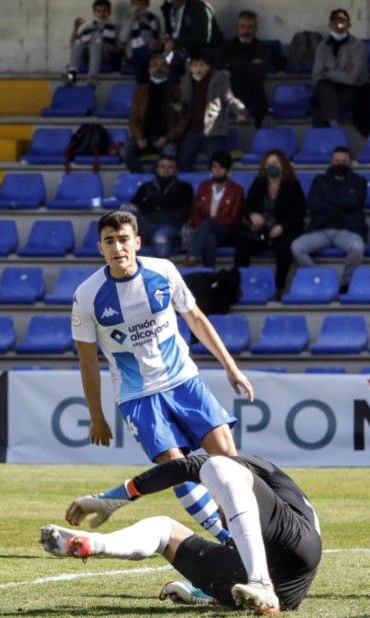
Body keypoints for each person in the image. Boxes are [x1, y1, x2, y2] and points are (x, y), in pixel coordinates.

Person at [71, 210, 255, 543]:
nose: (118, 247)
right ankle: (226, 538)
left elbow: (196, 319)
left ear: (137, 242)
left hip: (185, 381)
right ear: (100, 248)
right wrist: (96, 414)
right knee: (175, 467)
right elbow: (87, 360)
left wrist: (230, 366)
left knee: (229, 460)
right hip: (137, 396)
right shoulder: (87, 295)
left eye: (124, 239)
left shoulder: (164, 272)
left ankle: (244, 531)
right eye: (109, 241)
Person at [40, 452, 322, 614]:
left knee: (219, 466)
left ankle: (260, 583)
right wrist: (200, 592)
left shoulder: (259, 469)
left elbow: (188, 466)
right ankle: (97, 543)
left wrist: (114, 497)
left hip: (297, 545)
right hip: (272, 586)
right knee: (164, 528)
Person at [291, 146, 368, 294]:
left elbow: (355, 202)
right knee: (297, 247)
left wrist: (329, 201)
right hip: (321, 228)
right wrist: (342, 202)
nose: (340, 164)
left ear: (351, 163)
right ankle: (317, 279)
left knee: (357, 247)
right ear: (331, 162)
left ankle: (346, 283)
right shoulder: (319, 180)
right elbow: (314, 204)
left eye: (344, 161)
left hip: (348, 229)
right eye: (337, 160)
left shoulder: (359, 181)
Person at [236, 149, 306, 296]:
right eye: (268, 164)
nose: (271, 167)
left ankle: (279, 288)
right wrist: (252, 215)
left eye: (275, 163)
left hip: (284, 229)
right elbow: (247, 206)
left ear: (283, 166)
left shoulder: (292, 185)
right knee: (242, 244)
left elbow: (299, 213)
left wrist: (282, 226)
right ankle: (239, 283)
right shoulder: (259, 183)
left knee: (285, 249)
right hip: (262, 229)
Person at [177, 50, 246, 172]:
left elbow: (228, 98)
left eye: (202, 65)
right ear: (190, 67)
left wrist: (240, 111)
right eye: (195, 65)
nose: (198, 68)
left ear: (208, 66)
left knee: (216, 164)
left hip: (213, 129)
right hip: (192, 128)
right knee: (183, 162)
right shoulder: (185, 80)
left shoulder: (220, 79)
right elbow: (183, 101)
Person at [310, 8, 370, 136]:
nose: (338, 23)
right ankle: (333, 126)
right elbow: (316, 75)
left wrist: (328, 72)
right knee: (322, 87)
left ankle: (328, 135)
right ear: (330, 24)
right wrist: (342, 72)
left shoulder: (357, 46)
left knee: (319, 103)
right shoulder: (322, 47)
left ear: (349, 24)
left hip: (352, 91)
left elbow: (352, 78)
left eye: (342, 20)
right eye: (335, 20)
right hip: (329, 90)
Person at [215, 10, 282, 128]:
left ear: (256, 28)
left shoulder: (262, 49)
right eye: (243, 26)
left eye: (250, 27)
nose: (246, 31)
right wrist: (251, 65)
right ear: (237, 27)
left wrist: (233, 66)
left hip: (254, 93)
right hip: (231, 91)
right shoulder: (226, 47)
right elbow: (217, 66)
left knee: (260, 100)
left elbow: (281, 62)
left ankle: (261, 137)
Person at [123, 53, 186, 174]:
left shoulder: (175, 90)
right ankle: (142, 178)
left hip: (166, 138)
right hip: (144, 137)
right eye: (155, 65)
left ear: (168, 70)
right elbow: (134, 118)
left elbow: (182, 120)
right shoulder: (141, 91)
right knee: (125, 152)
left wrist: (167, 138)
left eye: (163, 65)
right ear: (149, 70)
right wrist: (139, 136)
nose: (158, 68)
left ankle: (154, 178)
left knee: (170, 153)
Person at [185, 150, 245, 269]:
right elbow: (196, 213)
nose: (217, 170)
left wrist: (211, 223)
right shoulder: (204, 186)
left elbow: (233, 219)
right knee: (210, 239)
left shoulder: (237, 190)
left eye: (221, 167)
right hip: (205, 231)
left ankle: (192, 256)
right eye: (214, 167)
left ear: (228, 170)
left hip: (228, 231)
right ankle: (209, 272)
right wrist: (204, 226)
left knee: (208, 223)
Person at [126, 154, 194, 257]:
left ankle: (161, 272)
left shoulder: (184, 187)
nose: (166, 170)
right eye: (162, 167)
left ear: (176, 170)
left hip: (169, 225)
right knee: (126, 211)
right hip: (145, 226)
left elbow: (188, 210)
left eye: (170, 167)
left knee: (160, 238)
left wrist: (153, 203)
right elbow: (132, 206)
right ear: (157, 169)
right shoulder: (146, 187)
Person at [160, 0, 224, 79]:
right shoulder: (169, 8)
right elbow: (171, 31)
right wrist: (166, 37)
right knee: (162, 66)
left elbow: (203, 37)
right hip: (181, 50)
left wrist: (175, 42)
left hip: (205, 50)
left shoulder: (198, 7)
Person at [64, 0, 120, 86]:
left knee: (97, 35)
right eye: (98, 11)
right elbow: (73, 45)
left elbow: (120, 50)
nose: (102, 14)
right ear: (94, 13)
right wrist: (76, 28)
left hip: (105, 55)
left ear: (109, 12)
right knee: (79, 41)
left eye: (104, 11)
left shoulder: (114, 26)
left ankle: (93, 76)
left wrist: (110, 47)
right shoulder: (88, 26)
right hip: (88, 55)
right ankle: (71, 76)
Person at [117, 0, 162, 75]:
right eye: (136, 4)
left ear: (147, 4)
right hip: (133, 54)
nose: (139, 7)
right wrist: (131, 21)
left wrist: (156, 44)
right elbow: (122, 39)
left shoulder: (153, 18)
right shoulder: (126, 18)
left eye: (142, 4)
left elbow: (158, 38)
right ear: (132, 4)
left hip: (150, 53)